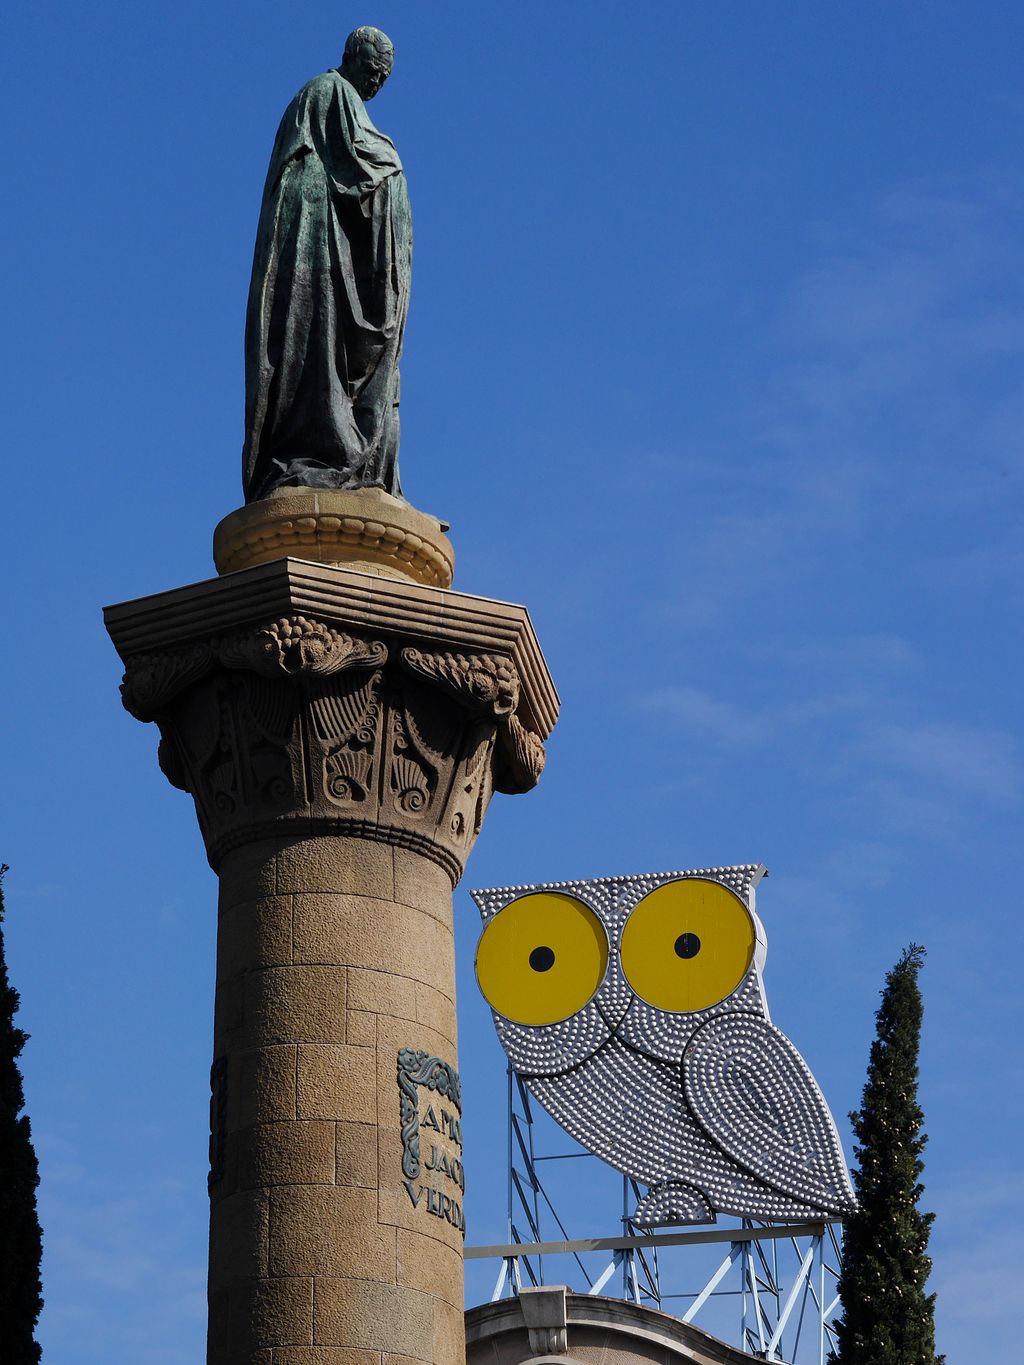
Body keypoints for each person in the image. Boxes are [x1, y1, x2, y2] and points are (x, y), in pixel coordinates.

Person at [242, 27, 412, 502]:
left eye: (385, 77)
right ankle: (326, 450)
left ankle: (356, 451)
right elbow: (361, 165)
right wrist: (390, 171)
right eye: (374, 70)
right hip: (313, 243)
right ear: (353, 57)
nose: (378, 82)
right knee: (315, 345)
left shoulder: (343, 102)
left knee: (336, 351)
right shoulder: (328, 92)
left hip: (333, 244)